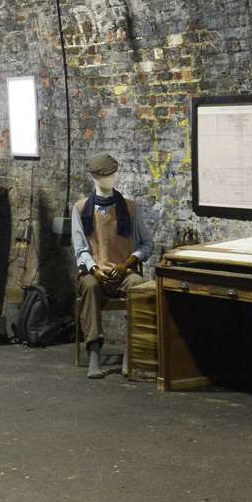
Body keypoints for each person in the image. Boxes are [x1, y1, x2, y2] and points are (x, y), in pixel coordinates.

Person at [71, 152, 154, 379]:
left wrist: (129, 262)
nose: (109, 179)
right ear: (94, 178)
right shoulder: (80, 209)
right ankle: (94, 353)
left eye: (112, 174)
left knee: (140, 286)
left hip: (124, 272)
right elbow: (80, 249)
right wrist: (95, 270)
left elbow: (148, 243)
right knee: (88, 287)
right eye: (104, 176)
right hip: (95, 272)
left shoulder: (129, 207)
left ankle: (132, 351)